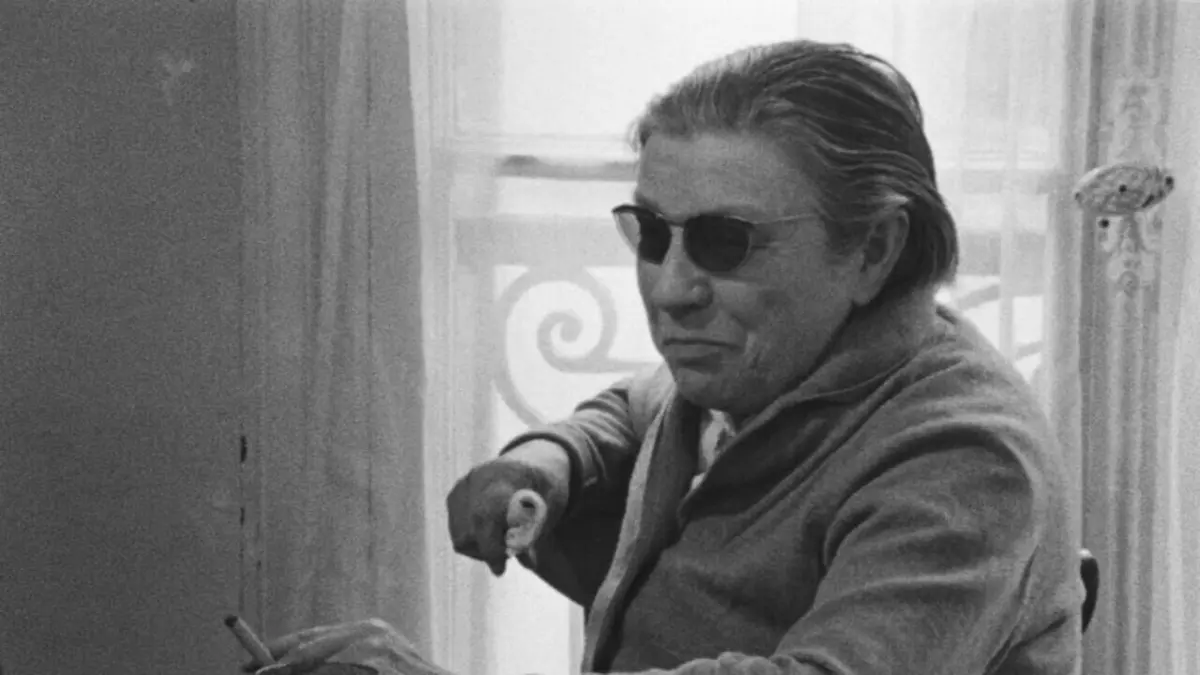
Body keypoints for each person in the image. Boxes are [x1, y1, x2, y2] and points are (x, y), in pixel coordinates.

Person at [245, 39, 1084, 675]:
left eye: (727, 240)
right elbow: (639, 407)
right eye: (651, 232)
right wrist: (547, 462)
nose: (671, 288)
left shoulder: (965, 459)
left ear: (873, 249)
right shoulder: (770, 362)